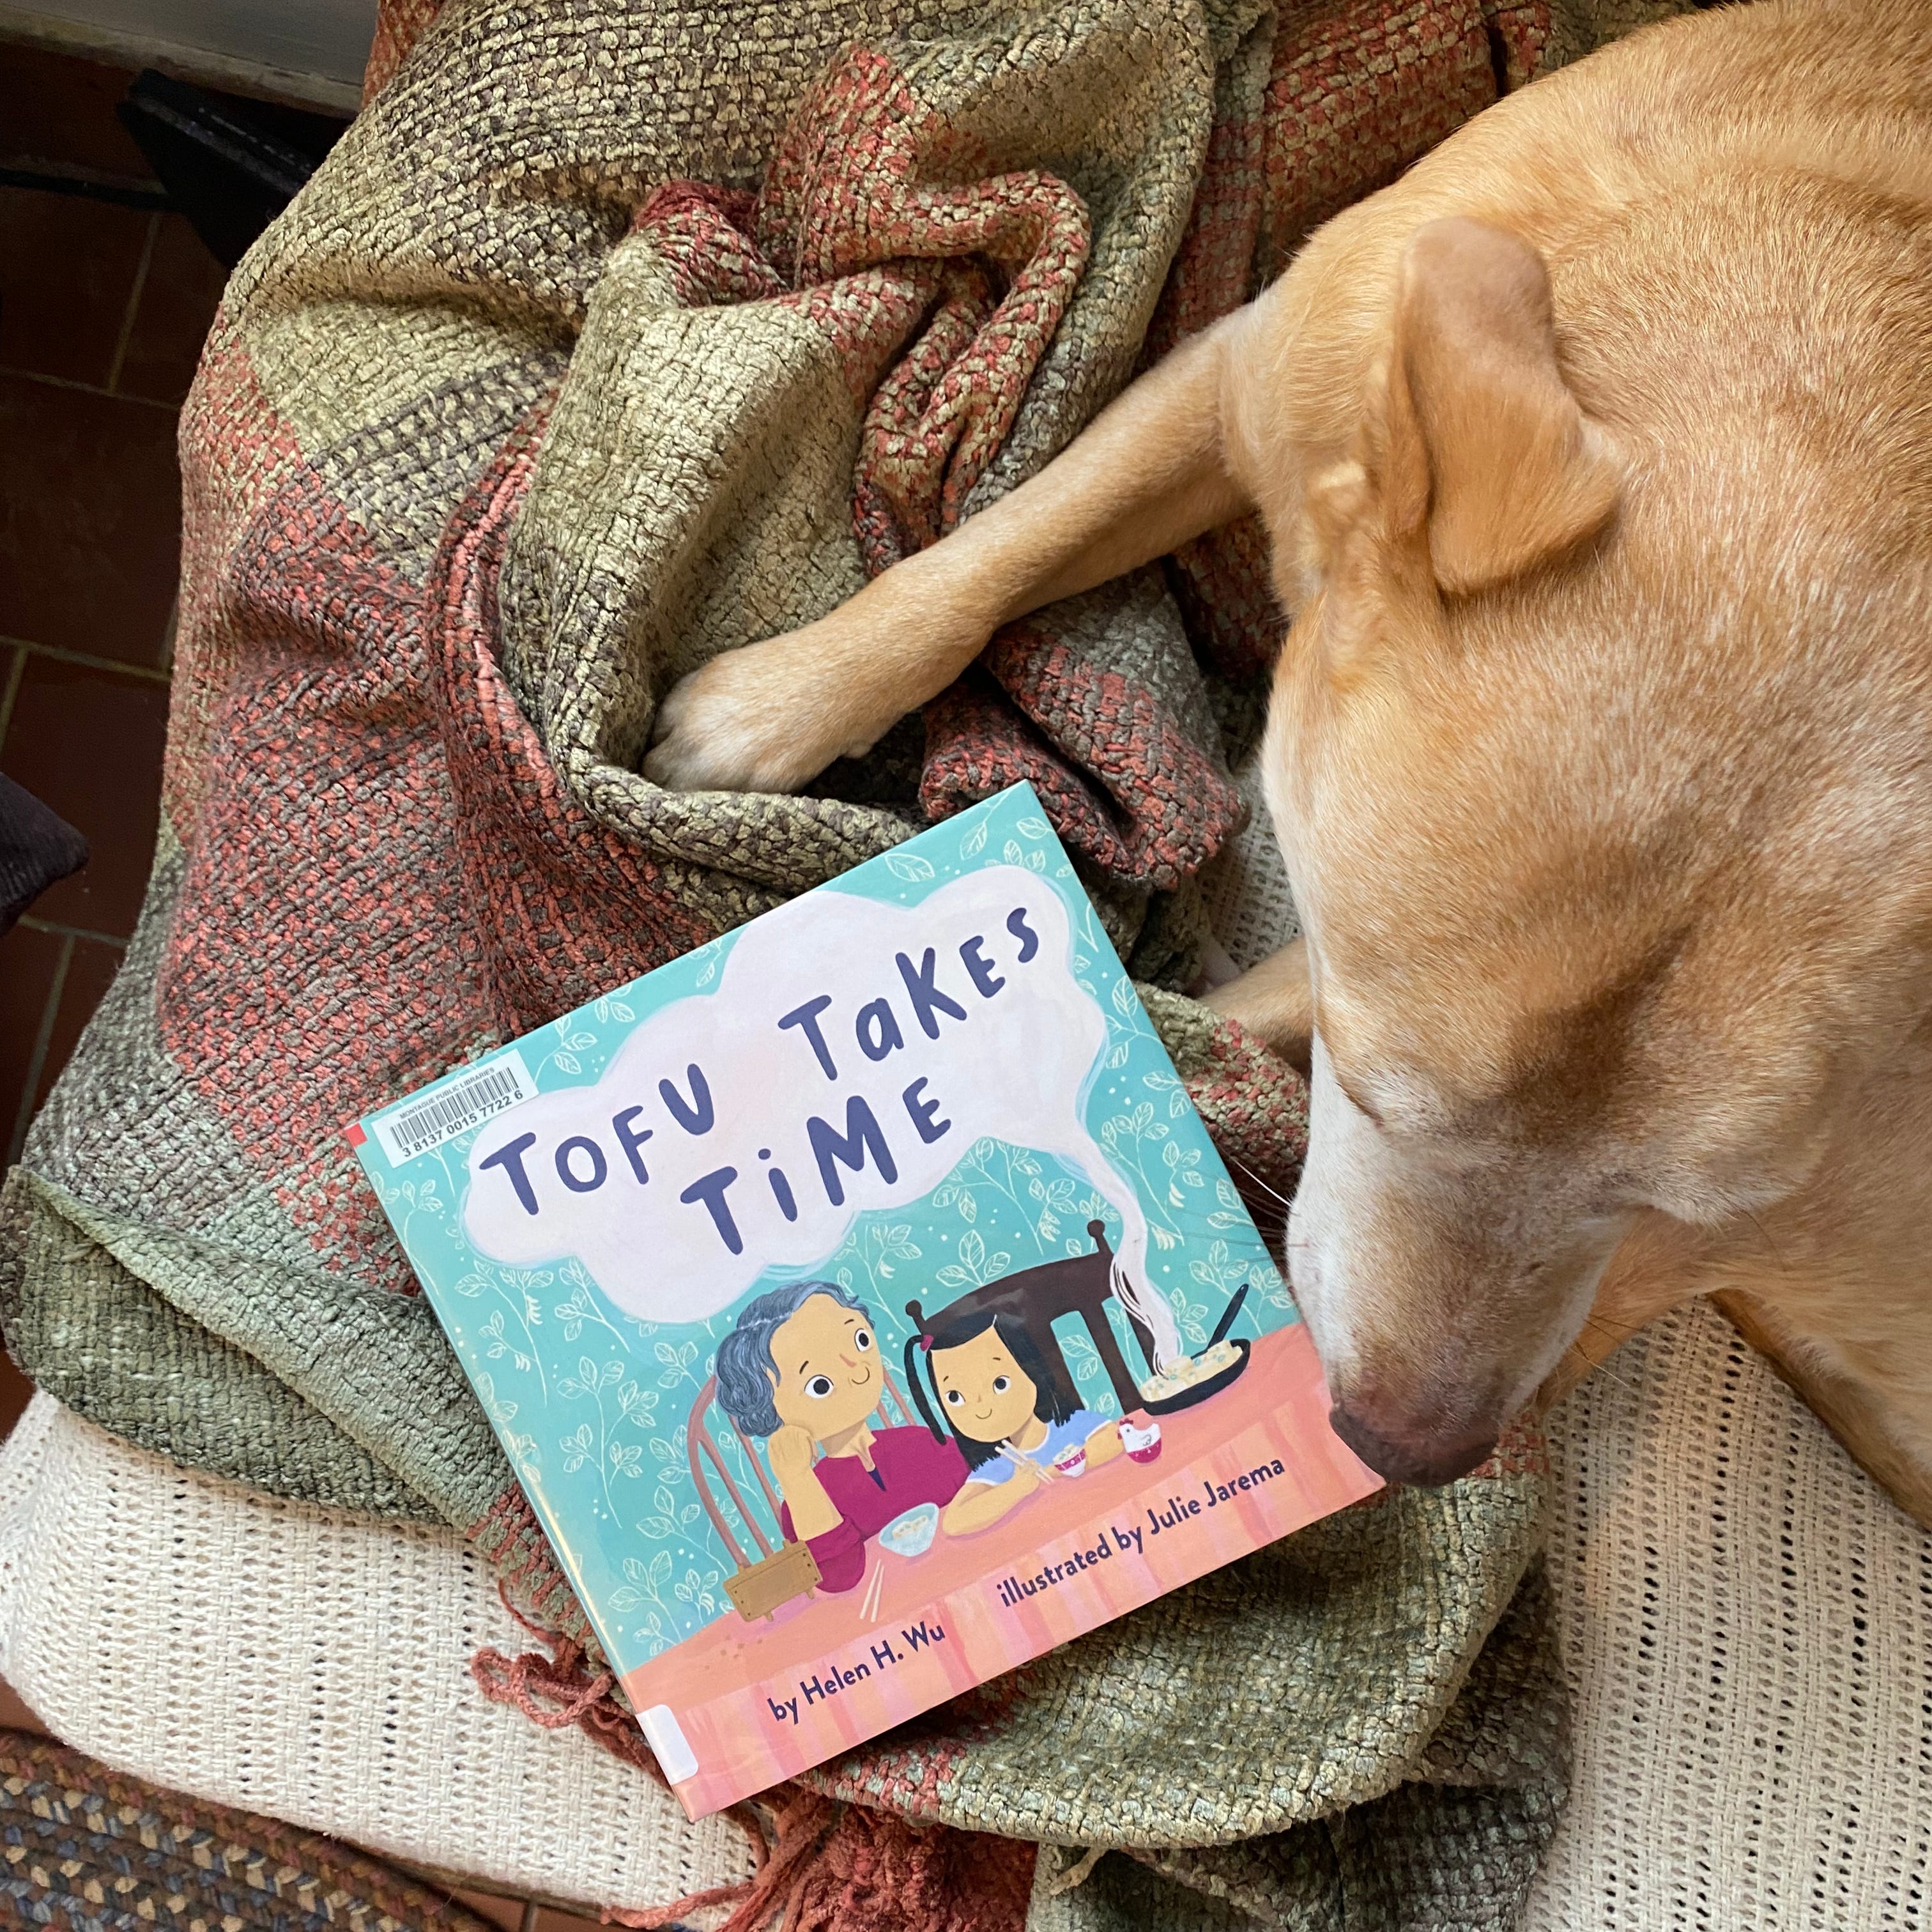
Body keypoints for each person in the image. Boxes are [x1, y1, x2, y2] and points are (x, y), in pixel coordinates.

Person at [712, 1280, 967, 1592]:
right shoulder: (807, 1500)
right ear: (769, 1407)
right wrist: (796, 1479)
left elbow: (982, 1481)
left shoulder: (920, 1444)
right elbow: (842, 1577)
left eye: (860, 1340)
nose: (858, 1370)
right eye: (818, 1383)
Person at [905, 1307, 1123, 1536]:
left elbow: (1113, 1439)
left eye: (1000, 1383)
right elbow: (956, 1520)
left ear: (1031, 1370)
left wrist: (1047, 1473)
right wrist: (1015, 1489)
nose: (981, 1407)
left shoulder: (1068, 1427)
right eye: (955, 1398)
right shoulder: (998, 1465)